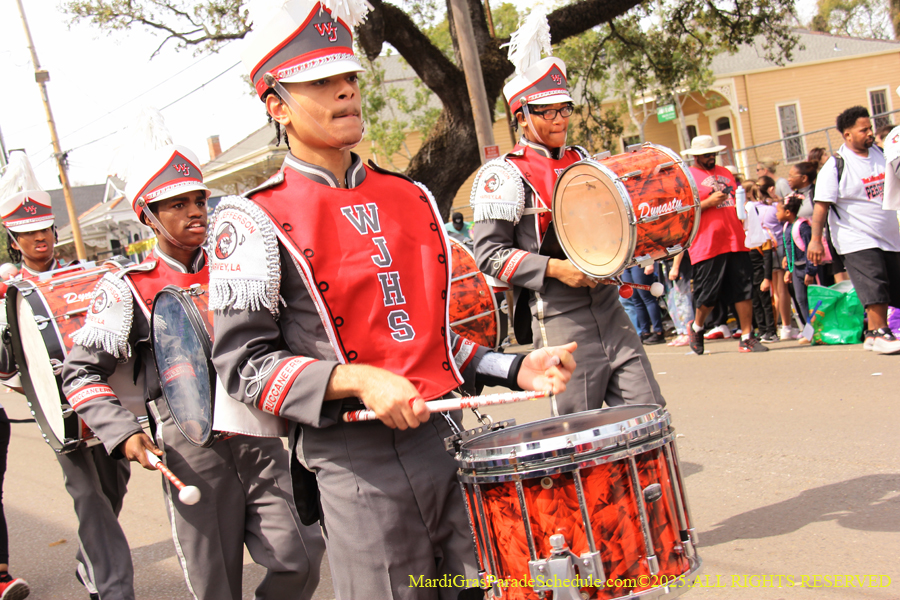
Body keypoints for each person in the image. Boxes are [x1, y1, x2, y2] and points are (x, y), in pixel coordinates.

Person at [211, 2, 577, 598]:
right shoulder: (252, 218)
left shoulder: (411, 197)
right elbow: (245, 369)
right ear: (275, 104)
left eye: (348, 78)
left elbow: (429, 343)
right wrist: (359, 380)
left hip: (444, 440)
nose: (344, 93)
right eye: (320, 83)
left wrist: (513, 366)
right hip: (356, 463)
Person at [60, 121, 325, 600]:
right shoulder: (127, 288)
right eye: (178, 205)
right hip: (190, 449)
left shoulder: (243, 263)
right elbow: (78, 373)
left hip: (260, 434)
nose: (196, 213)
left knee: (301, 557)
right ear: (148, 215)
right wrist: (123, 435)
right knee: (214, 587)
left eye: (200, 201)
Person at [470, 9, 664, 414]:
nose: (559, 119)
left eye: (564, 109)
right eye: (547, 111)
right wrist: (558, 269)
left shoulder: (584, 159)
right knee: (581, 429)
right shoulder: (503, 173)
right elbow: (489, 255)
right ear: (521, 117)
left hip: (610, 306)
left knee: (648, 412)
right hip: (558, 313)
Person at [0, 151, 129, 600]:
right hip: (55, 409)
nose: (39, 239)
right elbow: (7, 365)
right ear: (13, 241)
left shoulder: (87, 275)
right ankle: (112, 589)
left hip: (105, 398)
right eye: (28, 234)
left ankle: (90, 562)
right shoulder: (9, 293)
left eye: (43, 230)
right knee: (89, 495)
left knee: (114, 485)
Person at [811, 106, 900, 354]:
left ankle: (872, 333)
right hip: (856, 237)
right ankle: (882, 332)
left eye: (870, 128)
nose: (870, 133)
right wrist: (815, 241)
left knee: (893, 284)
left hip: (889, 237)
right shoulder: (836, 165)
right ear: (847, 134)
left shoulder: (883, 154)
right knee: (875, 281)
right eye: (864, 130)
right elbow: (821, 207)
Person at [682, 135, 768, 354]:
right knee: (708, 294)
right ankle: (697, 326)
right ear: (696, 156)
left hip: (735, 238)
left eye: (712, 153)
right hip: (708, 243)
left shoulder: (726, 173)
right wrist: (708, 203)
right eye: (705, 155)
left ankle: (747, 336)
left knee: (744, 289)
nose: (711, 157)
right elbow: (682, 212)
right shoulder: (688, 177)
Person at [779, 194, 819, 320]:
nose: (776, 214)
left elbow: (810, 249)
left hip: (806, 268)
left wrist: (810, 271)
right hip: (795, 269)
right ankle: (809, 329)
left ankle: (818, 328)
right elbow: (789, 249)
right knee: (800, 299)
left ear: (787, 212)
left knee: (815, 299)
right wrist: (788, 270)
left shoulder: (803, 227)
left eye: (777, 211)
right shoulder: (787, 227)